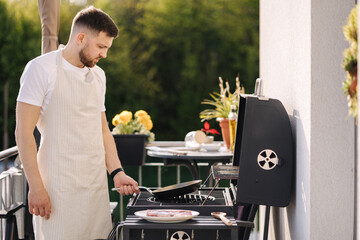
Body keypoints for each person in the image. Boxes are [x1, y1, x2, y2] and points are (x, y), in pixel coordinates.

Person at [15, 6, 139, 240]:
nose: (104, 54)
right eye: (101, 47)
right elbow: (23, 132)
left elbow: (102, 131)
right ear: (81, 38)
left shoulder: (98, 76)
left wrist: (117, 172)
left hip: (94, 189)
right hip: (56, 190)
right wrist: (36, 187)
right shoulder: (41, 69)